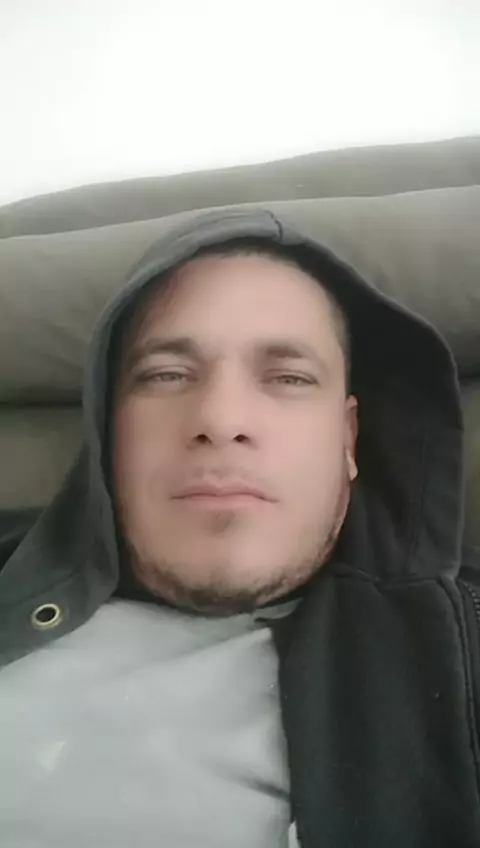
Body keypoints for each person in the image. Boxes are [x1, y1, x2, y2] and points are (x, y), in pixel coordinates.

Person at [1, 209, 479, 847]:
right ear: (106, 430)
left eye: (288, 378)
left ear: (348, 437)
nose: (221, 420)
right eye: (167, 374)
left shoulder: (460, 639)